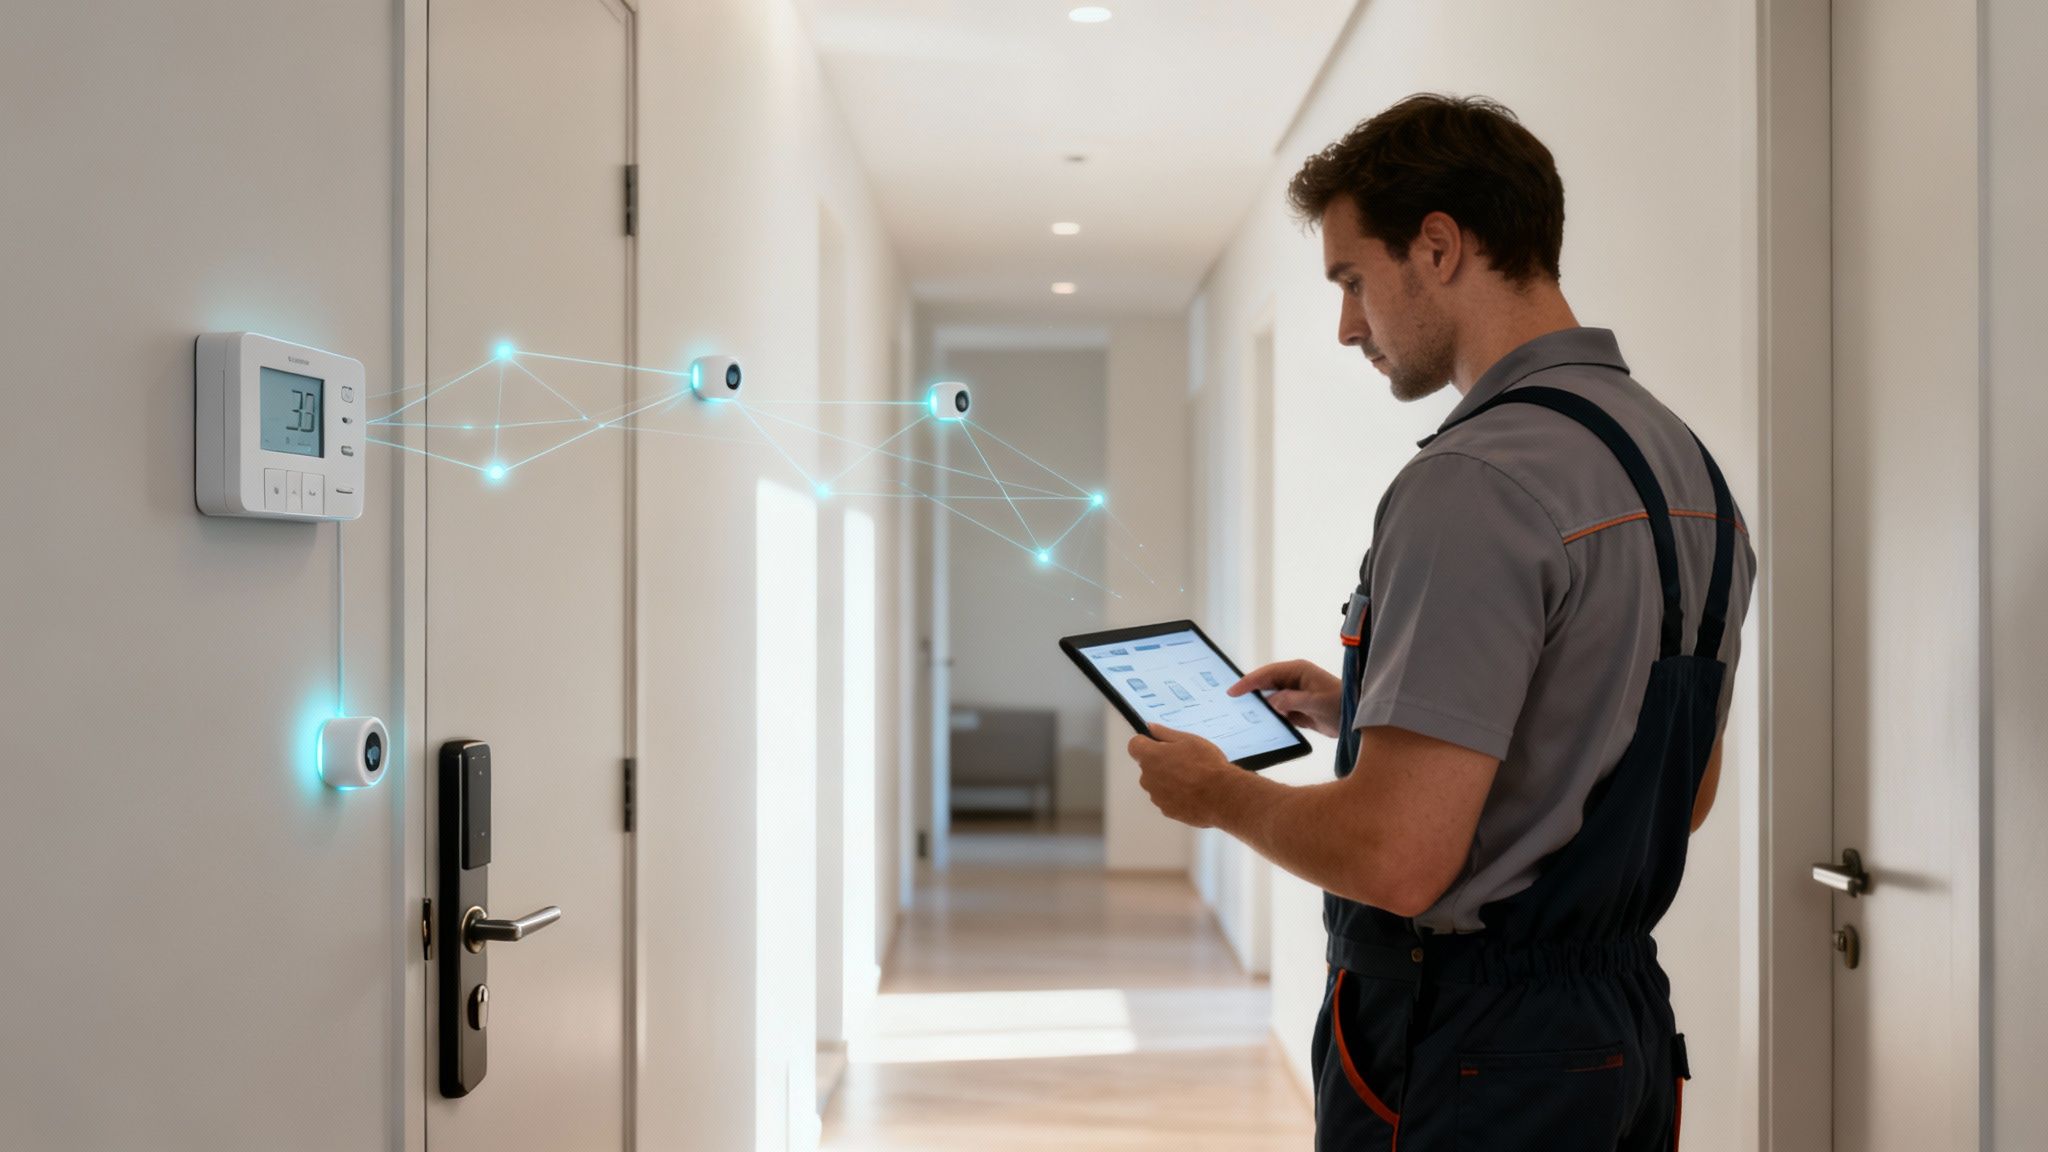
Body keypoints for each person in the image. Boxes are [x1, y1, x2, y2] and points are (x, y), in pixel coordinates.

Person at [1125, 94, 1755, 1151]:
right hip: (1620, 1043)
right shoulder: (1690, 471)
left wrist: (1218, 794)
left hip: (1468, 1051)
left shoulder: (1472, 482)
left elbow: (1396, 858)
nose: (1346, 326)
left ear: (1437, 246)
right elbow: (1672, 790)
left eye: (1351, 280)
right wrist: (1369, 710)